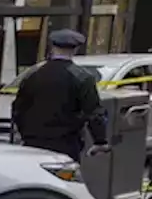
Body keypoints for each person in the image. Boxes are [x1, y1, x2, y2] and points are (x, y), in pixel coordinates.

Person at [12, 29, 111, 162]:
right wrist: (100, 142)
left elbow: (18, 108)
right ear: (75, 49)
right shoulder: (82, 77)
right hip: (65, 144)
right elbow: (94, 112)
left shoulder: (33, 75)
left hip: (33, 144)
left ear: (52, 47)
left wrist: (23, 133)